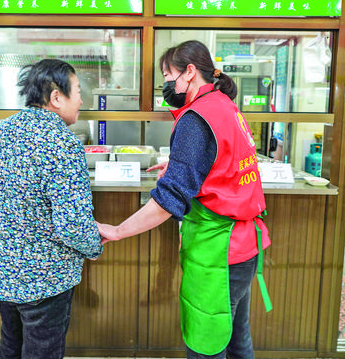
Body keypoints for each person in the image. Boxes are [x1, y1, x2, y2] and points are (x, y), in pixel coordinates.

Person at [97, 40, 271, 359]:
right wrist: (182, 166)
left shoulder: (196, 117)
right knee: (236, 338)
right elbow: (226, 163)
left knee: (207, 344)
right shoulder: (224, 105)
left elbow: (169, 200)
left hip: (218, 252)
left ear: (189, 72)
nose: (166, 83)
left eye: (168, 75)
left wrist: (118, 231)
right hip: (245, 245)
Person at [0, 59, 103, 359]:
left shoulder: (3, 132)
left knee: (11, 345)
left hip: (4, 270)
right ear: (56, 97)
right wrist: (94, 246)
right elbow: (73, 224)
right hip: (44, 278)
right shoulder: (61, 143)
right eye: (78, 91)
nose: (81, 100)